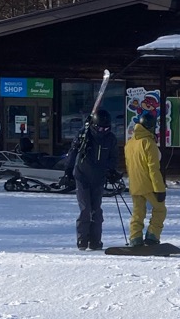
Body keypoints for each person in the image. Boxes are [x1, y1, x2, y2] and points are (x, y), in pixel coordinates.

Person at [62, 106, 119, 250]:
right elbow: (73, 152)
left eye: (106, 129)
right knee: (85, 209)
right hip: (82, 176)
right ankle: (82, 239)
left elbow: (113, 157)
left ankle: (95, 241)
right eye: (100, 129)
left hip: (98, 178)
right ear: (94, 125)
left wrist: (111, 171)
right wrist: (68, 171)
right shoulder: (85, 135)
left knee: (96, 210)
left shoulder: (110, 139)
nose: (103, 132)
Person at [124, 111, 167, 246]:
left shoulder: (130, 143)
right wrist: (160, 189)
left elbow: (128, 164)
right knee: (160, 209)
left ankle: (135, 238)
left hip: (135, 184)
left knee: (138, 212)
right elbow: (153, 168)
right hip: (148, 184)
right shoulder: (148, 143)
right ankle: (152, 236)